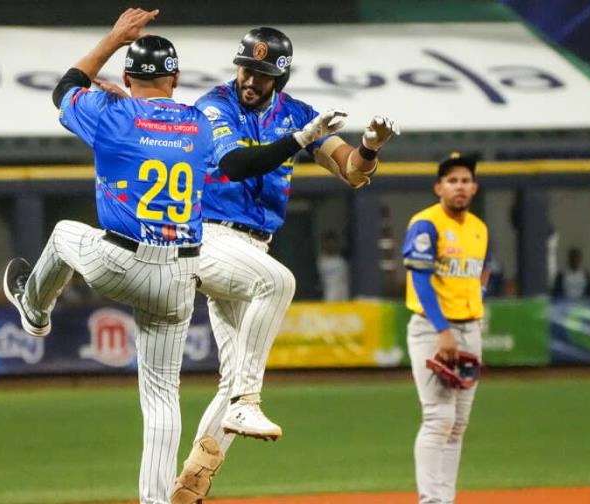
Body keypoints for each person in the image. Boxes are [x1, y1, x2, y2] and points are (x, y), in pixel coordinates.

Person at [172, 26, 399, 504]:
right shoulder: (214, 105)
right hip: (209, 237)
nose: (250, 79)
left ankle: (191, 483)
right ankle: (248, 403)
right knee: (278, 284)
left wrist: (371, 148)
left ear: (282, 74)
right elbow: (233, 164)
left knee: (230, 379)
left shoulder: (297, 113)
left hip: (252, 248)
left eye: (262, 72)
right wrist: (300, 139)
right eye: (246, 68)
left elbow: (352, 173)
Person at [2, 9, 215, 504]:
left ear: (126, 75)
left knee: (62, 233)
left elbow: (65, 87)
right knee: (163, 396)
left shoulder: (111, 114)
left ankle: (34, 311)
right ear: (175, 78)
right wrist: (133, 107)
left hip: (120, 261)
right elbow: (162, 129)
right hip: (182, 272)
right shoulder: (199, 125)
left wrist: (115, 38)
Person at [401, 153, 490, 504]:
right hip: (433, 329)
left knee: (458, 424)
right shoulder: (426, 223)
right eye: (452, 181)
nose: (460, 186)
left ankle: (444, 498)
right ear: (439, 187)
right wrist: (442, 330)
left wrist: (477, 301)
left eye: (466, 180)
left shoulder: (479, 228)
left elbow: (483, 272)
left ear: (474, 187)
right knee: (439, 416)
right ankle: (430, 500)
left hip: (469, 328)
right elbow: (420, 279)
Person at [317, 231, 350, 301]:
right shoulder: (321, 261)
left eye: (333, 243)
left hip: (343, 295)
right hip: (328, 295)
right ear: (324, 244)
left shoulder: (342, 261)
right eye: (328, 243)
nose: (331, 246)